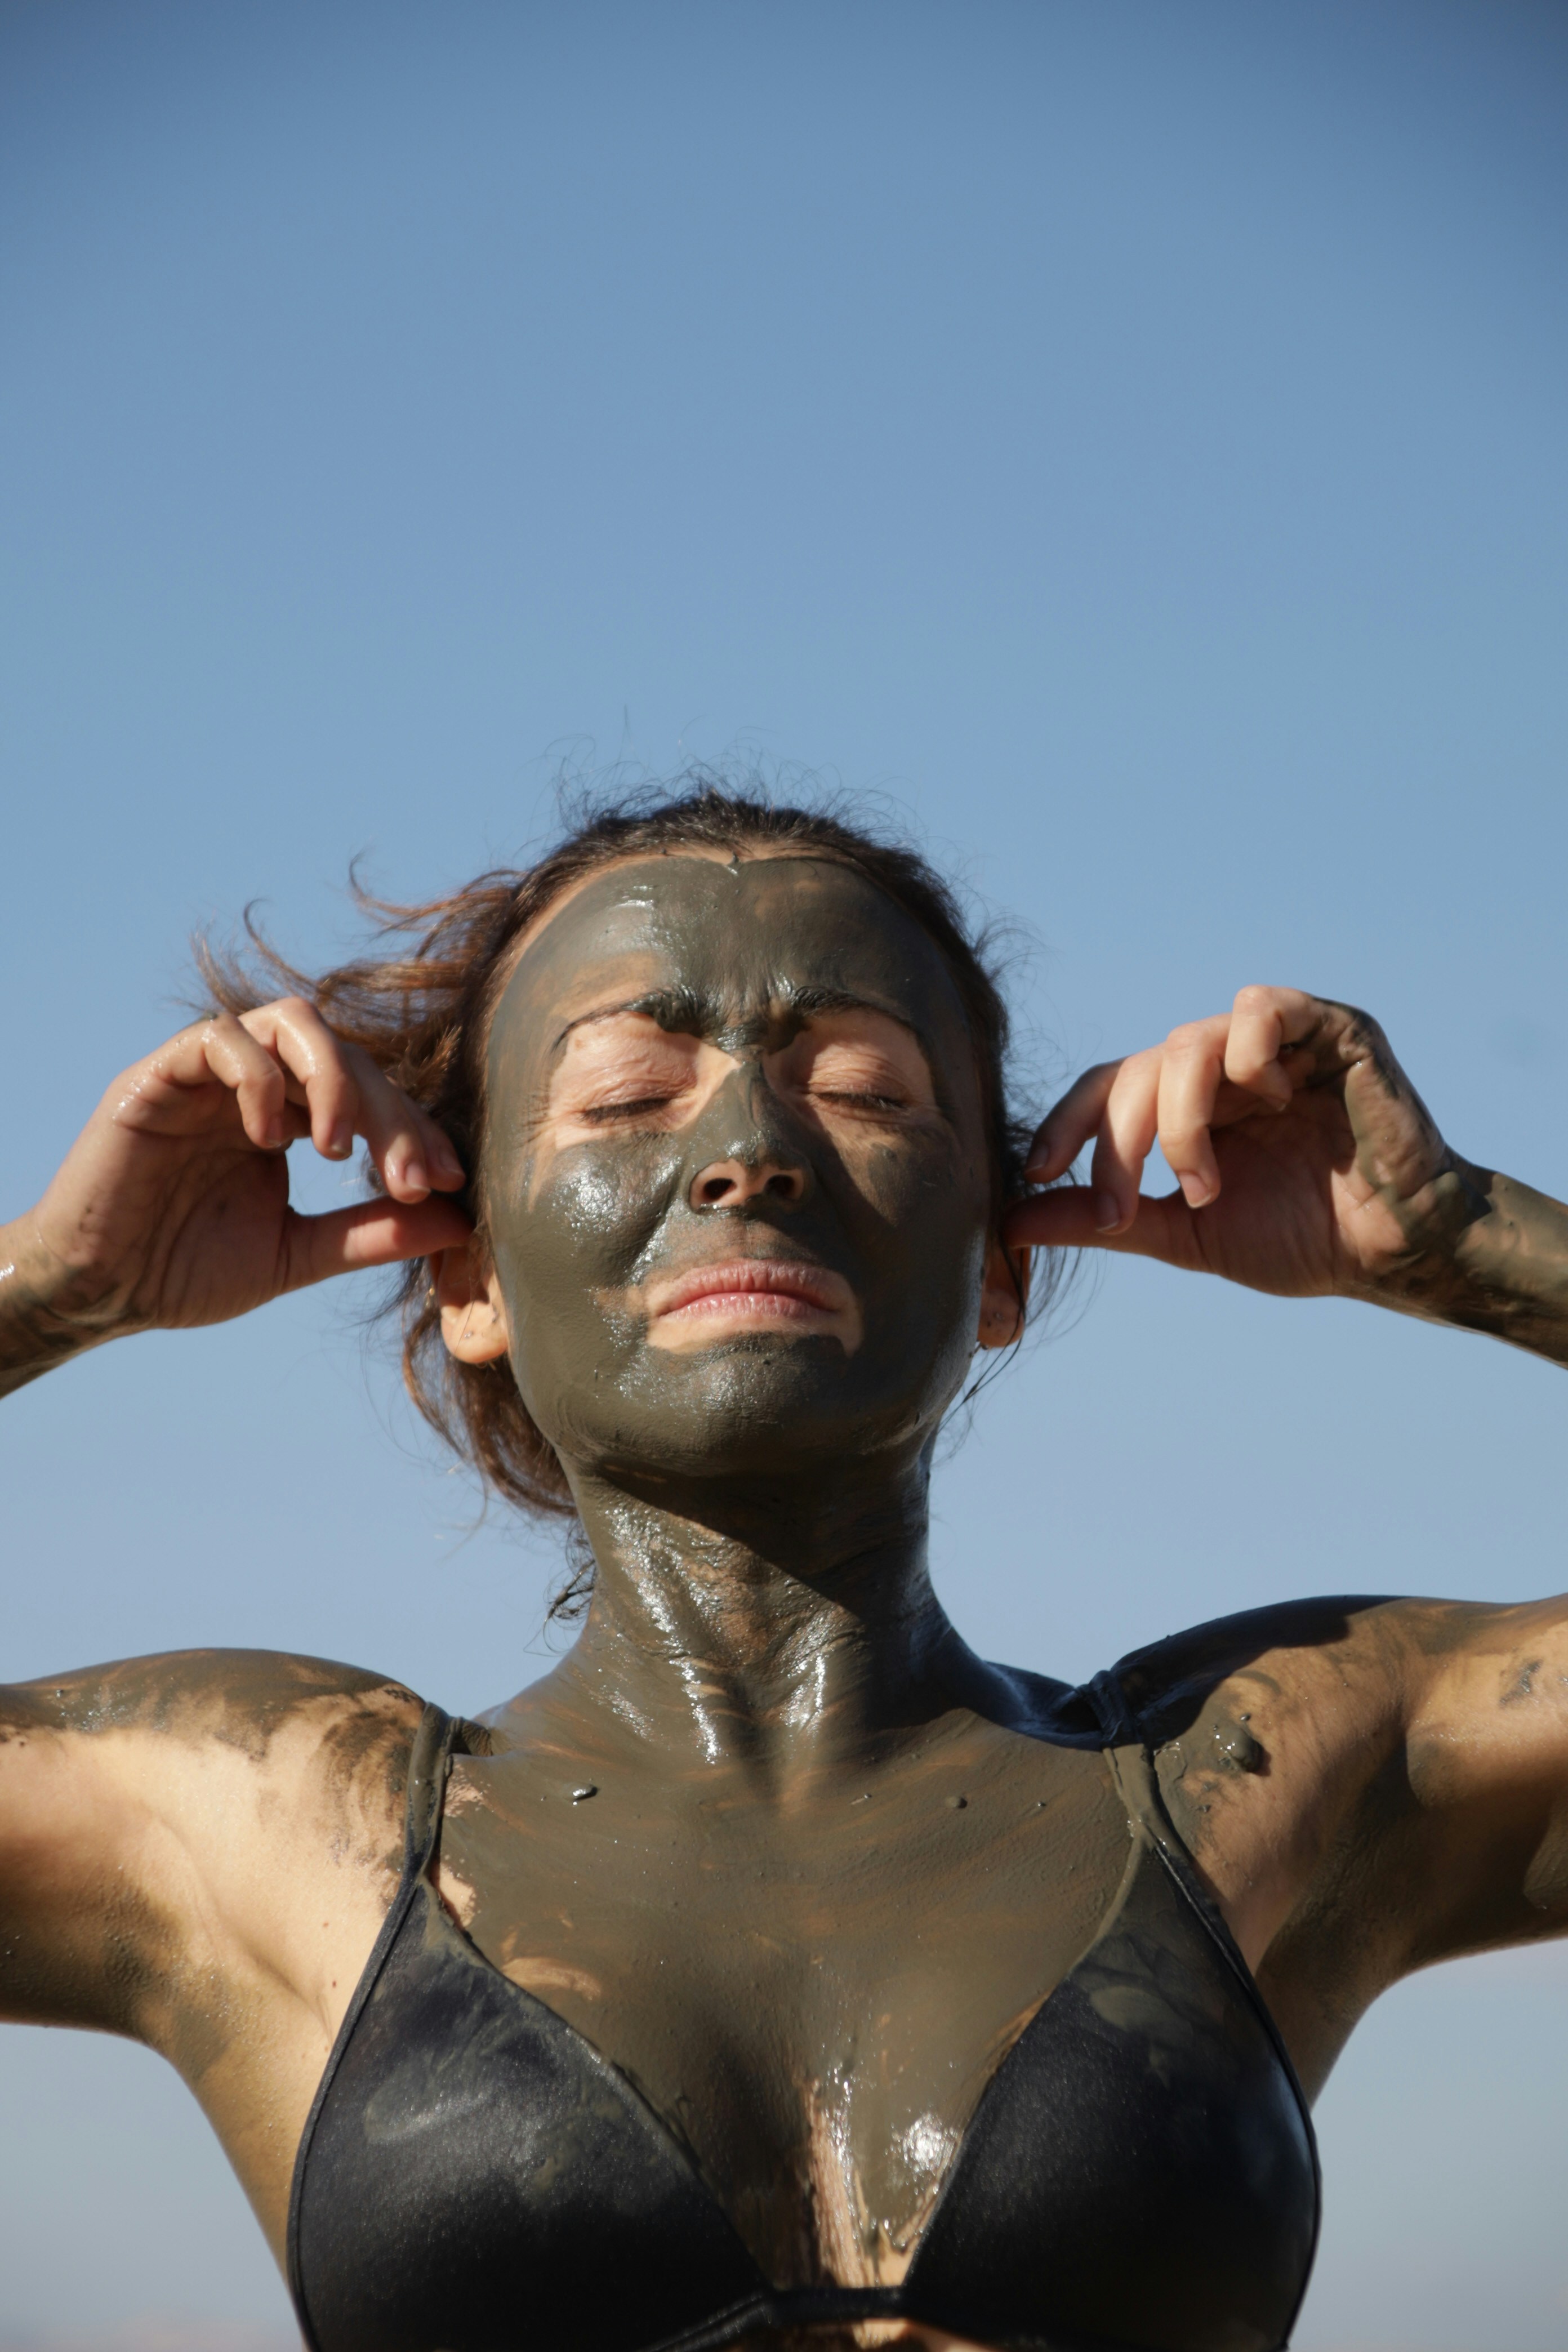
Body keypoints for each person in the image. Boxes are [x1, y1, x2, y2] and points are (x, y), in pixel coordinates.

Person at [2, 785, 1565, 2352]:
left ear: (1003, 1263)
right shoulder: (274, 1821)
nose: (750, 1150)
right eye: (624, 1095)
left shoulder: (1258, 1766)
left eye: (866, 1089)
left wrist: (1461, 1234)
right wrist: (50, 1287)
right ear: (465, 1271)